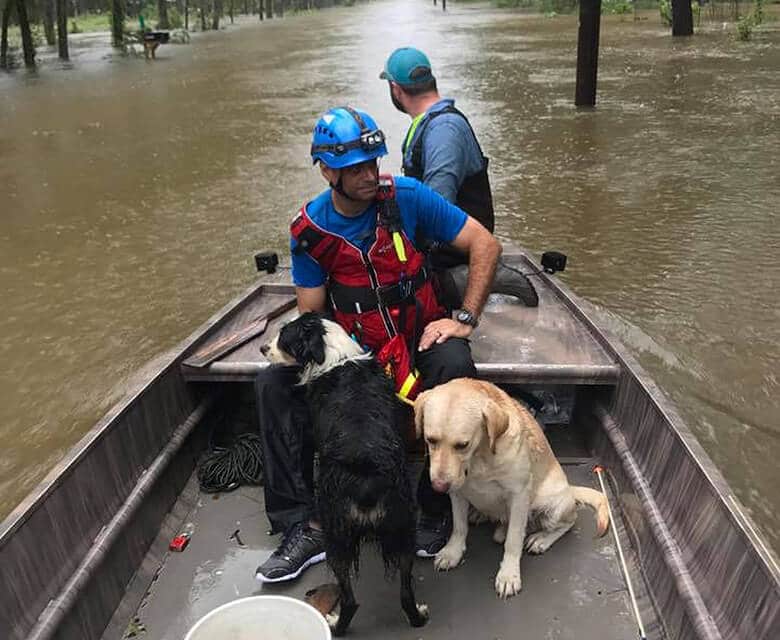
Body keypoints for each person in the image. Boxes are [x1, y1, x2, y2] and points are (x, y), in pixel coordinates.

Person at [254, 106, 501, 583]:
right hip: (359, 353)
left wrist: (464, 319)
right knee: (272, 385)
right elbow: (312, 315)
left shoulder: (407, 197)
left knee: (454, 361)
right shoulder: (309, 231)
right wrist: (339, 366)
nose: (370, 176)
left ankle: (432, 511)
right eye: (355, 169)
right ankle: (302, 524)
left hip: (418, 334)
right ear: (327, 171)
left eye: (373, 164)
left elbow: (484, 244)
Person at [381, 46, 495, 268]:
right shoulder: (428, 123)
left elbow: (437, 207)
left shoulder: (444, 129)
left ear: (395, 89)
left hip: (454, 258)